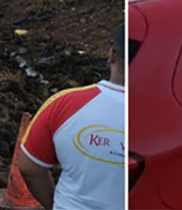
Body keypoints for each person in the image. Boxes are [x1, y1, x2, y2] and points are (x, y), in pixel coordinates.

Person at [19, 23, 125, 210]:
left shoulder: (64, 104)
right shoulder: (177, 119)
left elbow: (30, 168)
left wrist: (57, 205)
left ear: (111, 55)